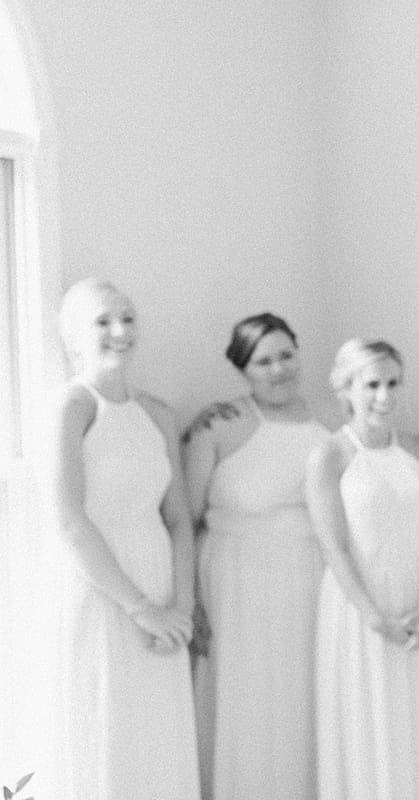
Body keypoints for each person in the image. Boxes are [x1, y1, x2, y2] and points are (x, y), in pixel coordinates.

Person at [46, 278, 200, 800]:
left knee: (160, 736)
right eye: (104, 321)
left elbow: (178, 516)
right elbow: (69, 521)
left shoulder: (158, 413)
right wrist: (141, 609)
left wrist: (182, 606)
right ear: (73, 336)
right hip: (103, 588)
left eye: (129, 318)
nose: (120, 331)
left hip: (161, 584)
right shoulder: (71, 405)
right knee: (107, 731)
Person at [307, 339, 419, 800]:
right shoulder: (330, 455)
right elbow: (333, 545)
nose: (384, 396)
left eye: (392, 383)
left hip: (418, 603)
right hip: (358, 607)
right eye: (372, 384)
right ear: (347, 389)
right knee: (369, 719)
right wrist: (373, 616)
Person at [184, 313, 328, 800]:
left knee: (301, 697)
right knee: (247, 697)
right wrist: (190, 602)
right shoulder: (217, 424)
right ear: (243, 369)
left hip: (310, 575)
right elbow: (186, 518)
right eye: (263, 360)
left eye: (286, 355)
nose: (279, 368)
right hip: (237, 576)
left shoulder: (326, 418)